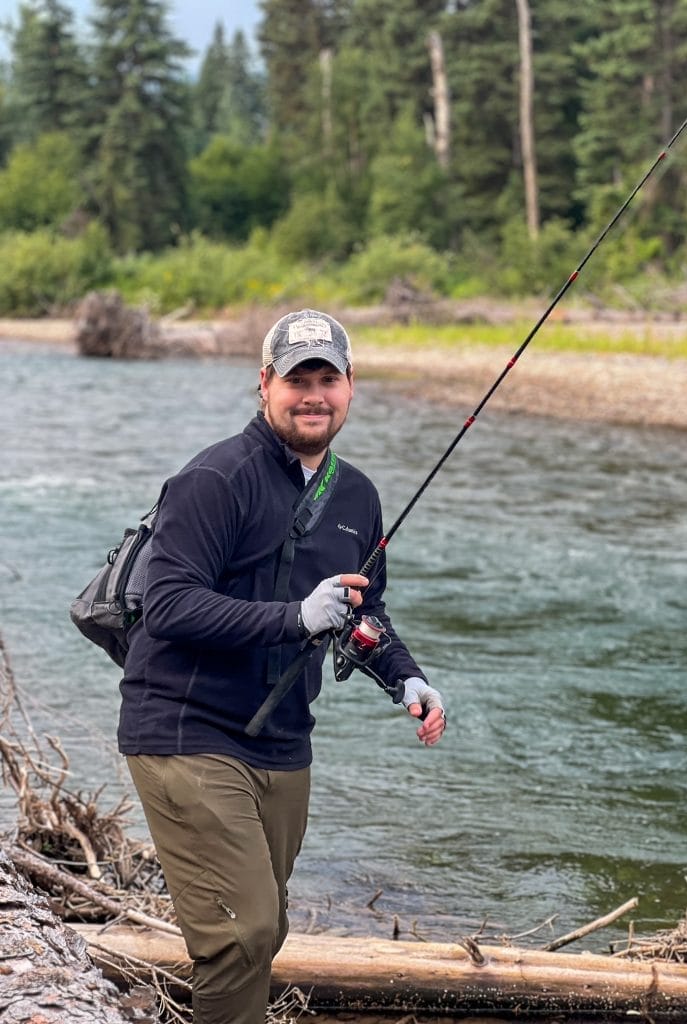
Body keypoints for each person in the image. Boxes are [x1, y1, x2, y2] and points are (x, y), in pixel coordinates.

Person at [117, 309, 446, 1024]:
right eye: (298, 379)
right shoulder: (215, 479)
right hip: (183, 726)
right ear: (265, 384)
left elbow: (362, 611)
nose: (314, 395)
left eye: (328, 379)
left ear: (351, 388)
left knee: (267, 928)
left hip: (283, 739)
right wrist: (295, 617)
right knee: (243, 930)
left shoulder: (356, 496)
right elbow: (169, 606)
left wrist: (406, 679)